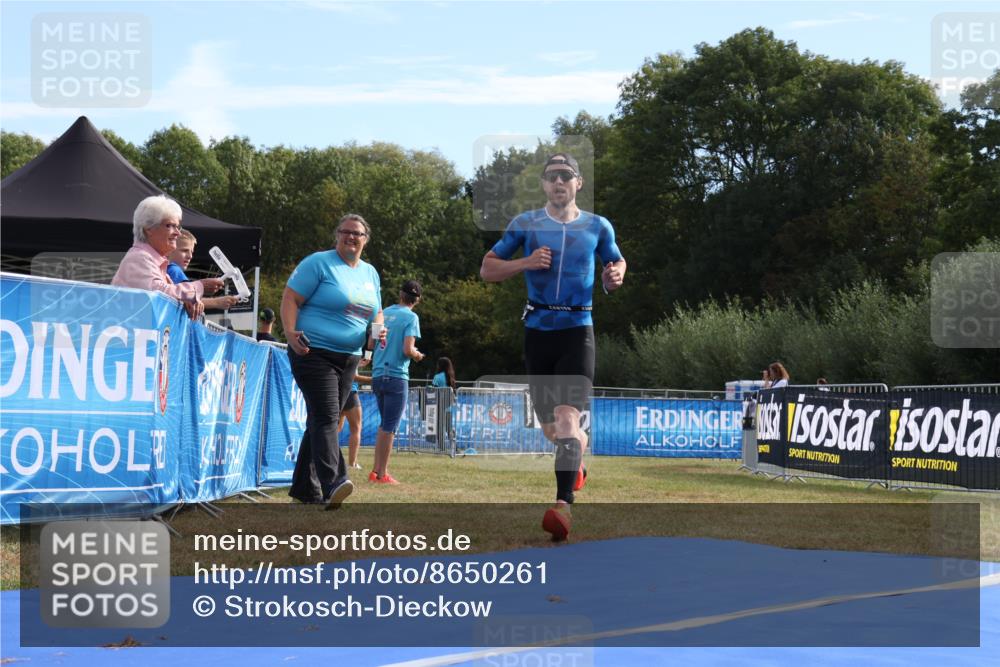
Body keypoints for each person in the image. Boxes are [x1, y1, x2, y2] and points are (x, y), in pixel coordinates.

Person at [480, 152, 626, 541]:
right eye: (551, 177)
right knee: (554, 430)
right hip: (538, 330)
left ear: (578, 183)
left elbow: (617, 263)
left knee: (566, 419)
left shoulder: (598, 226)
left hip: (578, 329)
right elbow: (488, 268)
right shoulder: (525, 224)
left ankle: (563, 506)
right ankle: (577, 458)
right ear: (544, 185)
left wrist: (614, 277)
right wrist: (525, 263)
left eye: (566, 175)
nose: (558, 182)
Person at [281, 213, 385, 510]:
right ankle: (335, 482)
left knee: (319, 419)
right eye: (345, 232)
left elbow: (376, 312)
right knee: (327, 416)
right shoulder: (319, 263)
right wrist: (290, 333)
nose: (351, 237)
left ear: (366, 239)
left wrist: (375, 333)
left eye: (357, 234)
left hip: (349, 357)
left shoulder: (370, 274)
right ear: (336, 235)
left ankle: (304, 489)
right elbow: (291, 298)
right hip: (312, 352)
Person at [112, 195, 225, 320]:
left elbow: (168, 292)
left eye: (178, 226)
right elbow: (159, 293)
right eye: (170, 225)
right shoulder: (139, 258)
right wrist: (200, 286)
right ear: (149, 228)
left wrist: (186, 299)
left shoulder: (153, 261)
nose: (178, 233)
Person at [370, 280, 424, 484]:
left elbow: (370, 343)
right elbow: (407, 350)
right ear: (417, 300)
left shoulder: (383, 312)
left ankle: (375, 471)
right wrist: (417, 355)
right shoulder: (411, 317)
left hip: (377, 374)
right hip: (396, 376)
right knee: (390, 427)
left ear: (400, 295)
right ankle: (382, 474)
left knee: (384, 425)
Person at [166, 228, 240, 311]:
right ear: (169, 249)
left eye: (191, 252)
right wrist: (216, 302)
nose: (190, 256)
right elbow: (188, 297)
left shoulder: (167, 270)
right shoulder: (174, 269)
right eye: (184, 250)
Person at [338, 356, 371, 469]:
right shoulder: (351, 350)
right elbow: (353, 376)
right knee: (356, 429)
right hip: (350, 392)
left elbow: (346, 367)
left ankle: (326, 459)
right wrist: (373, 380)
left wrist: (358, 364)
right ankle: (352, 464)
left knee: (335, 429)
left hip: (338, 391)